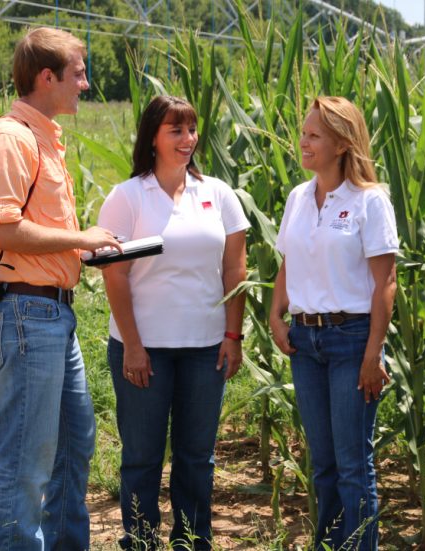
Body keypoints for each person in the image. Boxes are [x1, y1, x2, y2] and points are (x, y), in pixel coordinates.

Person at [0, 27, 120, 550]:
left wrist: (79, 252)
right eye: (78, 72)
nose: (86, 82)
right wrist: (80, 238)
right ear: (46, 77)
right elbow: (1, 229)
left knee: (73, 448)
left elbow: (31, 232)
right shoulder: (11, 139)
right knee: (24, 464)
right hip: (24, 316)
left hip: (49, 317)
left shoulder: (43, 139)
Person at [97, 95, 249, 550]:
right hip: (144, 349)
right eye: (175, 131)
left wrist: (232, 335)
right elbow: (115, 276)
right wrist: (134, 345)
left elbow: (235, 271)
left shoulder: (218, 194)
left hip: (206, 348)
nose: (187, 140)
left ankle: (192, 541)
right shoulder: (127, 197)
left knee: (197, 458)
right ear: (153, 138)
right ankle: (140, 541)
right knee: (142, 458)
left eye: (191, 130)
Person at [269, 96, 398, 551]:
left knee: (352, 464)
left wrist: (373, 353)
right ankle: (329, 545)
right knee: (322, 463)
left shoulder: (370, 201)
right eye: (303, 133)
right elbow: (288, 262)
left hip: (351, 341)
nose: (303, 142)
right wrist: (275, 314)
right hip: (306, 342)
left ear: (343, 144)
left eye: (314, 136)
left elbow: (386, 282)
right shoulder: (298, 198)